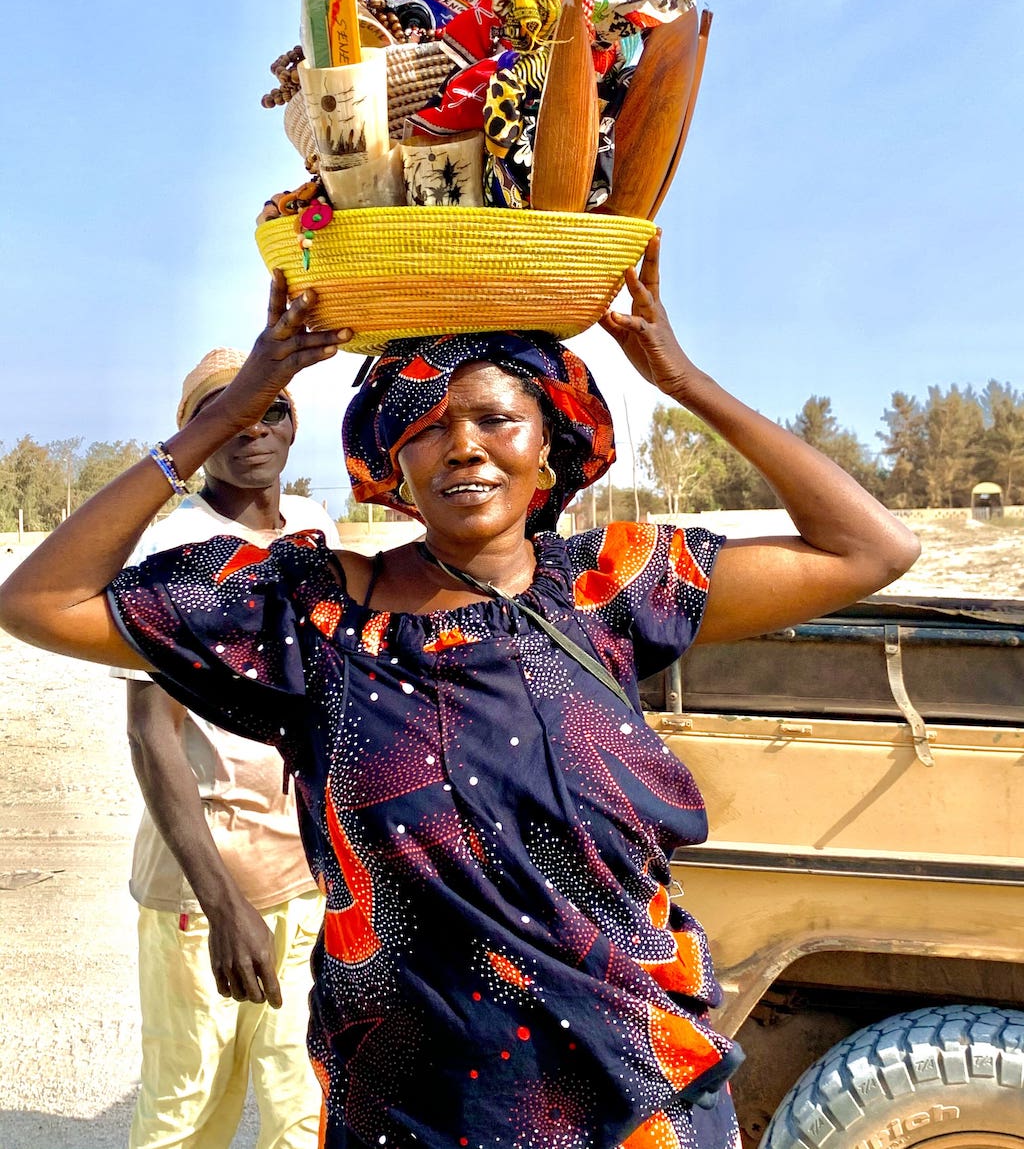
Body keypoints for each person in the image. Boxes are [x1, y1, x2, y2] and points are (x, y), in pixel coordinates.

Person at [0, 239, 919, 1149]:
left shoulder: (610, 585)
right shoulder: (319, 614)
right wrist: (226, 412)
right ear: (392, 462)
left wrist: (682, 380)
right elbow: (39, 601)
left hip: (633, 1096)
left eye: (495, 418)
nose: (465, 445)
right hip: (415, 1111)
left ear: (547, 446)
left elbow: (872, 548)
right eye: (429, 425)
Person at [116, 348, 339, 1149]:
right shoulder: (168, 549)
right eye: (226, 413)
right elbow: (151, 733)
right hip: (203, 886)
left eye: (269, 409)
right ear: (197, 435)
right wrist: (221, 905)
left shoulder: (315, 529)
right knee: (189, 1106)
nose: (252, 428)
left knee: (302, 1099)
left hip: (305, 877)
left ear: (293, 424)